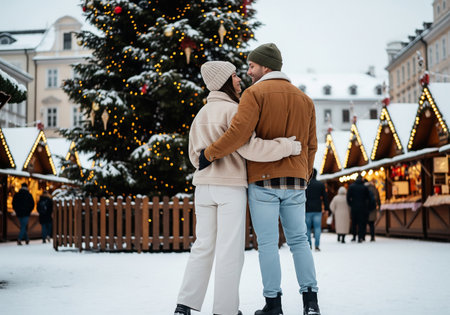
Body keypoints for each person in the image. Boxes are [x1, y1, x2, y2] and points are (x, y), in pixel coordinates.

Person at [200, 43, 321, 315]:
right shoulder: (305, 99)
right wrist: (304, 173)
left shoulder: (254, 94)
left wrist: (210, 153)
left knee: (267, 244)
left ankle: (273, 304)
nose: (248, 71)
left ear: (266, 66)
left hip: (263, 181)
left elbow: (239, 134)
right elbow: (312, 145)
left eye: (252, 66)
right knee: (300, 241)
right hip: (296, 182)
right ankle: (310, 302)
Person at [174, 61, 301, 315]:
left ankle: (184, 305)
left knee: (202, 245)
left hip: (203, 188)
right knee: (229, 250)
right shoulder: (233, 111)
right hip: (229, 188)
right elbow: (250, 147)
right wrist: (287, 146)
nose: (239, 79)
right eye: (233, 76)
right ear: (223, 81)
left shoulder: (200, 114)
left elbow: (193, 156)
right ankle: (225, 310)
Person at [305, 168, 329, 251]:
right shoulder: (320, 184)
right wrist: (326, 208)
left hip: (307, 209)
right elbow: (325, 197)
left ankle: (309, 245)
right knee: (317, 228)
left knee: (307, 228)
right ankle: (317, 245)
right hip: (317, 209)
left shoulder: (306, 185)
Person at [346, 175, 373, 243]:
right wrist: (367, 206)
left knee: (354, 222)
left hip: (354, 207)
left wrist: (351, 204)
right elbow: (368, 197)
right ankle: (360, 237)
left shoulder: (351, 187)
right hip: (362, 207)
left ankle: (354, 236)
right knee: (361, 223)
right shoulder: (364, 187)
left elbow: (348, 197)